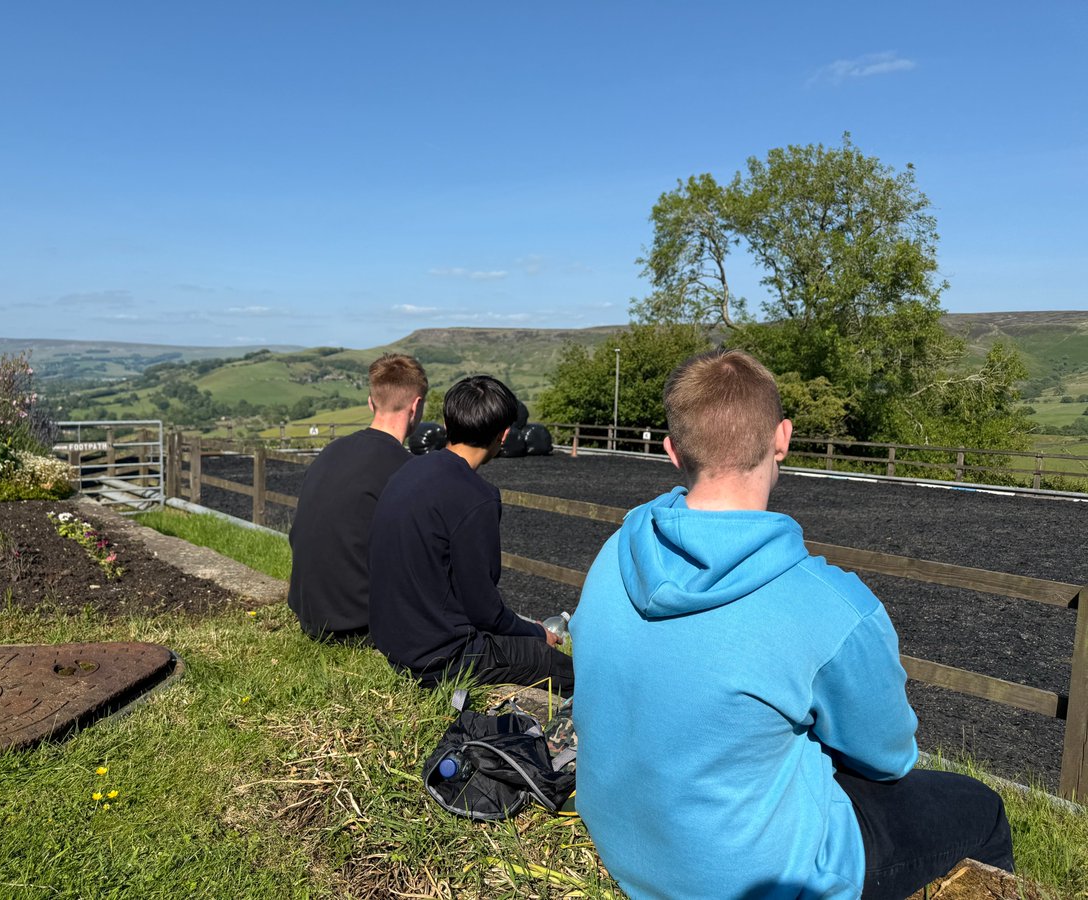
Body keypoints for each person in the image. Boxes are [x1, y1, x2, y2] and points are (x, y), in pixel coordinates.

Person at [570, 349, 1012, 900]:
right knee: (982, 809)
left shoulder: (616, 551)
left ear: (672, 450)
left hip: (620, 838)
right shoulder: (832, 605)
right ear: (782, 437)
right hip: (742, 879)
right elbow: (888, 759)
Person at [368, 375, 574, 693]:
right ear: (503, 435)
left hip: (393, 642)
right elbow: (484, 610)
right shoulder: (476, 496)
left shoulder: (409, 471)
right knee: (556, 665)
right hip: (439, 660)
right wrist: (536, 634)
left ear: (448, 424)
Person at [287, 353, 428, 642]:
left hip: (309, 614)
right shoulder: (407, 470)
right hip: (360, 626)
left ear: (370, 402)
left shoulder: (331, 452)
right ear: (416, 406)